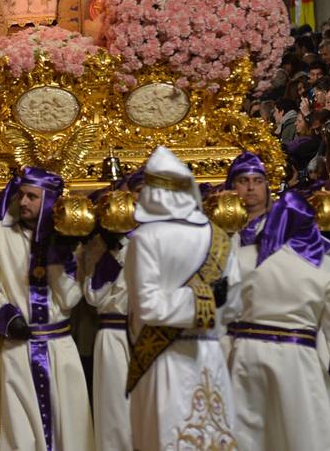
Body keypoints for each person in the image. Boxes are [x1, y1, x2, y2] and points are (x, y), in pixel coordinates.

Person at [0, 166, 93, 450]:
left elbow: (70, 300)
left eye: (32, 197)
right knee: (18, 430)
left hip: (60, 349)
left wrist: (61, 254)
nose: (23, 202)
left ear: (50, 202)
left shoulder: (68, 239)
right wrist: (3, 313)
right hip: (17, 347)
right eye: (21, 195)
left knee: (69, 426)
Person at [126, 147, 242, 449]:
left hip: (165, 358)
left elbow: (148, 306)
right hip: (208, 354)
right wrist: (205, 302)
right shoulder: (218, 235)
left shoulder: (145, 238)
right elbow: (233, 304)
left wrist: (196, 301)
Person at [228, 189, 330, 451]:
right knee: (301, 431)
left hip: (246, 355)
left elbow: (225, 313)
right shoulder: (325, 268)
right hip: (298, 358)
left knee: (246, 433)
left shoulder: (242, 258)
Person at [82, 171, 142, 451]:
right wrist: (115, 251)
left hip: (148, 334)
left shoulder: (157, 239)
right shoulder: (99, 243)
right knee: (116, 412)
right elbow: (93, 296)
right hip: (114, 334)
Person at [225, 152, 273, 246]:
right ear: (232, 186)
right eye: (243, 181)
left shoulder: (281, 224)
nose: (251, 187)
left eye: (258, 181)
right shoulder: (219, 226)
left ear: (266, 186)